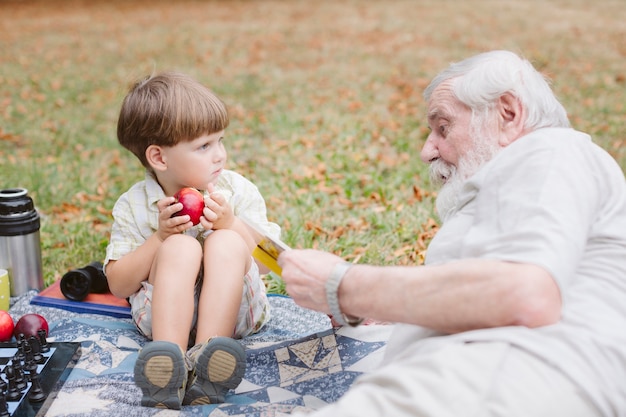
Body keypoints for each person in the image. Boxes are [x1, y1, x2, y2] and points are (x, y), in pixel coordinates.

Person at [278, 50, 626, 417]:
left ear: (508, 114)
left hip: (502, 379)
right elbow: (496, 288)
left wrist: (342, 285)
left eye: (443, 127)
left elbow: (524, 293)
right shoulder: (530, 185)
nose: (427, 151)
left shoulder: (552, 150)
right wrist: (388, 306)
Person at [104, 71, 280, 409]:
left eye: (220, 141)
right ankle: (167, 365)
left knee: (225, 242)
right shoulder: (135, 205)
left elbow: (269, 262)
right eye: (204, 146)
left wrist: (231, 224)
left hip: (237, 314)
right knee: (180, 246)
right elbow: (119, 285)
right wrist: (159, 238)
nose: (220, 155)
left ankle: (211, 358)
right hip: (161, 319)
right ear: (159, 158)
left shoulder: (236, 191)